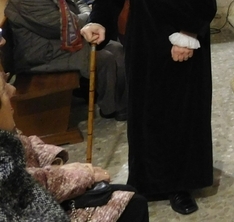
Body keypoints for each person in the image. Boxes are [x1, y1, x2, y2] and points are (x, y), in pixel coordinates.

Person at [88, 0, 221, 215]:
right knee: (145, 111)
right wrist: (100, 21)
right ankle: (146, 181)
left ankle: (181, 185)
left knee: (182, 112)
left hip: (184, 35)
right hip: (143, 36)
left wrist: (188, 34)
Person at [0, 73, 149, 222]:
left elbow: (28, 143)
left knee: (130, 195)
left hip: (47, 189)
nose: (12, 90)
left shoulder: (6, 134)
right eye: (3, 90)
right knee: (134, 205)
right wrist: (82, 175)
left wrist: (55, 162)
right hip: (38, 207)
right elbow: (30, 187)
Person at [4, 0, 127, 120]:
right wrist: (89, 19)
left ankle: (122, 102)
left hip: (61, 42)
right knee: (104, 57)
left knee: (116, 47)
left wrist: (88, 17)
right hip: (40, 54)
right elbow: (61, 25)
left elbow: (79, 3)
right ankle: (109, 108)